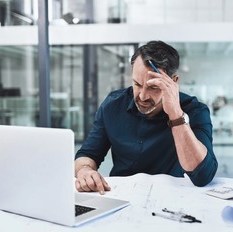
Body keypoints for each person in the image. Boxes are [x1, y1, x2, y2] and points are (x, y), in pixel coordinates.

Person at [75, 40, 218, 194]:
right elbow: (88, 154)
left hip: (171, 198)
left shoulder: (195, 110)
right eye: (137, 84)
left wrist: (176, 114)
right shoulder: (113, 105)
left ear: (173, 82)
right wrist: (84, 171)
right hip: (120, 196)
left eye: (153, 87)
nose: (142, 96)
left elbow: (203, 176)